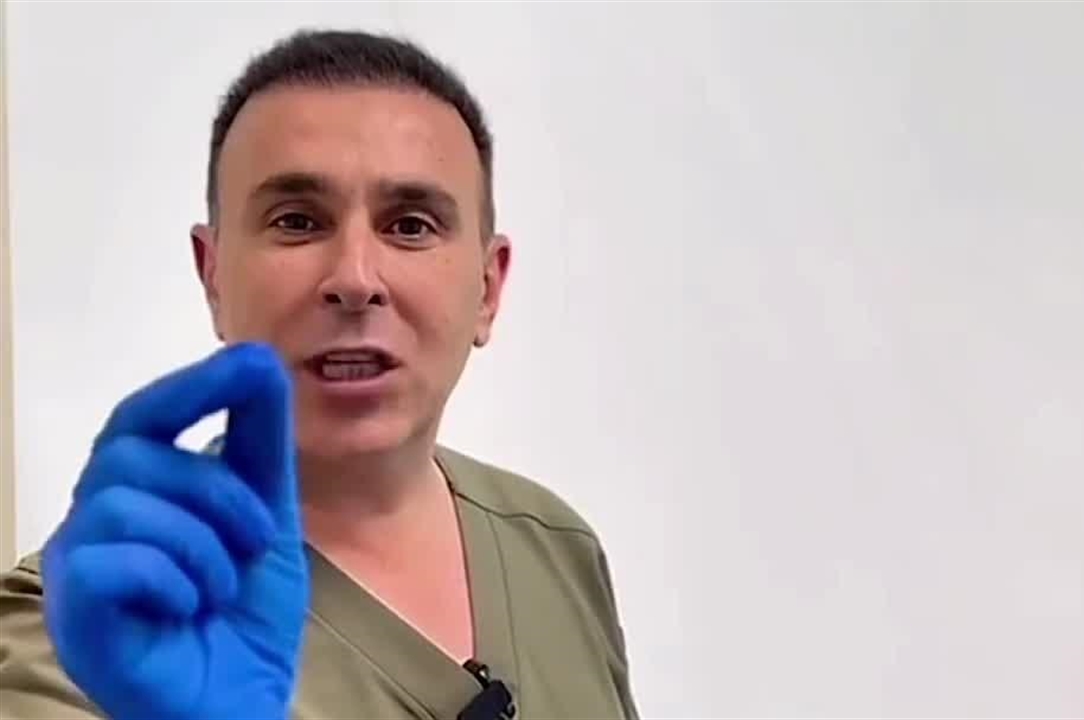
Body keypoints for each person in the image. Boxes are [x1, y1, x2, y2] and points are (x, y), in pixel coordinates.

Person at [0, 29, 638, 720]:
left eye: (411, 226)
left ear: (488, 287)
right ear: (213, 276)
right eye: (298, 221)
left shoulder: (552, 546)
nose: (355, 279)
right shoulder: (86, 629)